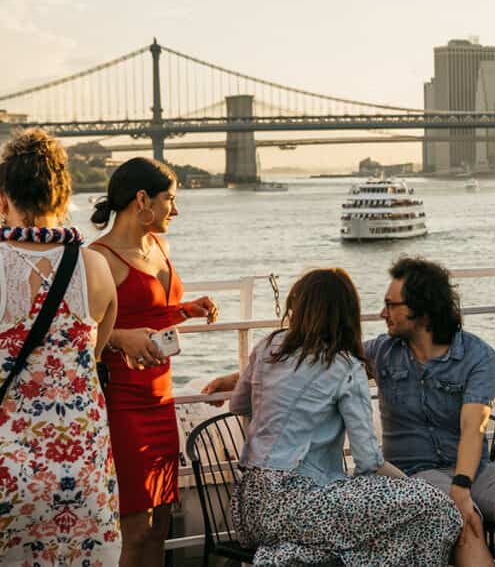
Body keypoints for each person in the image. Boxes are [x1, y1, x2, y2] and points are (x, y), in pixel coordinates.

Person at [230, 267, 462, 566]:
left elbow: (238, 405)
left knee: (366, 533)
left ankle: (288, 555)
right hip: (300, 505)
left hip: (249, 509)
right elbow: (369, 462)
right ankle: (286, 556)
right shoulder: (344, 365)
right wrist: (414, 486)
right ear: (346, 314)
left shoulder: (268, 347)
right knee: (437, 509)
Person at [365, 257, 495, 567]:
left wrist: (462, 485)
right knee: (463, 518)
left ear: (422, 312)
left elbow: (473, 426)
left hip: (472, 469)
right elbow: (326, 354)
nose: (383, 313)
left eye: (391, 305)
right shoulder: (381, 352)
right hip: (412, 474)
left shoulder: (476, 356)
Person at [89, 157, 219, 566]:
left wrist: (185, 309)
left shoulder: (159, 245)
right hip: (124, 404)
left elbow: (151, 313)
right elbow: (80, 335)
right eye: (170, 200)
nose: (175, 210)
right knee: (135, 528)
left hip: (161, 401)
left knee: (161, 523)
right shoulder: (100, 258)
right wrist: (119, 338)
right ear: (142, 199)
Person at [0, 129, 121, 564]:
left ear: (2, 199)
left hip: (7, 475)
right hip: (82, 472)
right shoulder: (97, 267)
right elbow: (94, 354)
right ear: (64, 197)